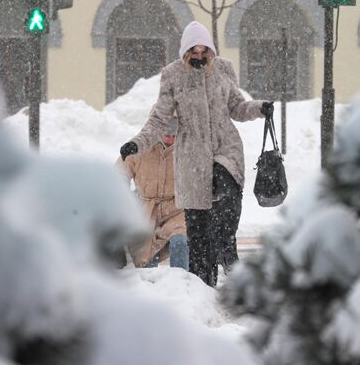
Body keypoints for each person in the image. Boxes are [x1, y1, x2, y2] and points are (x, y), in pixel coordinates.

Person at [119, 21, 273, 286]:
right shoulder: (173, 75)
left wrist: (259, 108)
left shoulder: (224, 69)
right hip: (191, 157)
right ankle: (203, 287)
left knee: (225, 201)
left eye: (205, 51)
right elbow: (159, 119)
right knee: (198, 232)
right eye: (195, 52)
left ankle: (226, 244)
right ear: (186, 52)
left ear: (211, 50)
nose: (200, 56)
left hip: (226, 149)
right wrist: (137, 143)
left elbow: (236, 106)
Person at [117, 117, 188, 270]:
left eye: (174, 135)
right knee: (145, 258)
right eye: (166, 135)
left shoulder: (186, 148)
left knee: (180, 242)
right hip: (146, 211)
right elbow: (119, 174)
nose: (170, 139)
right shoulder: (138, 147)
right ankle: (149, 288)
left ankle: (183, 282)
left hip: (176, 209)